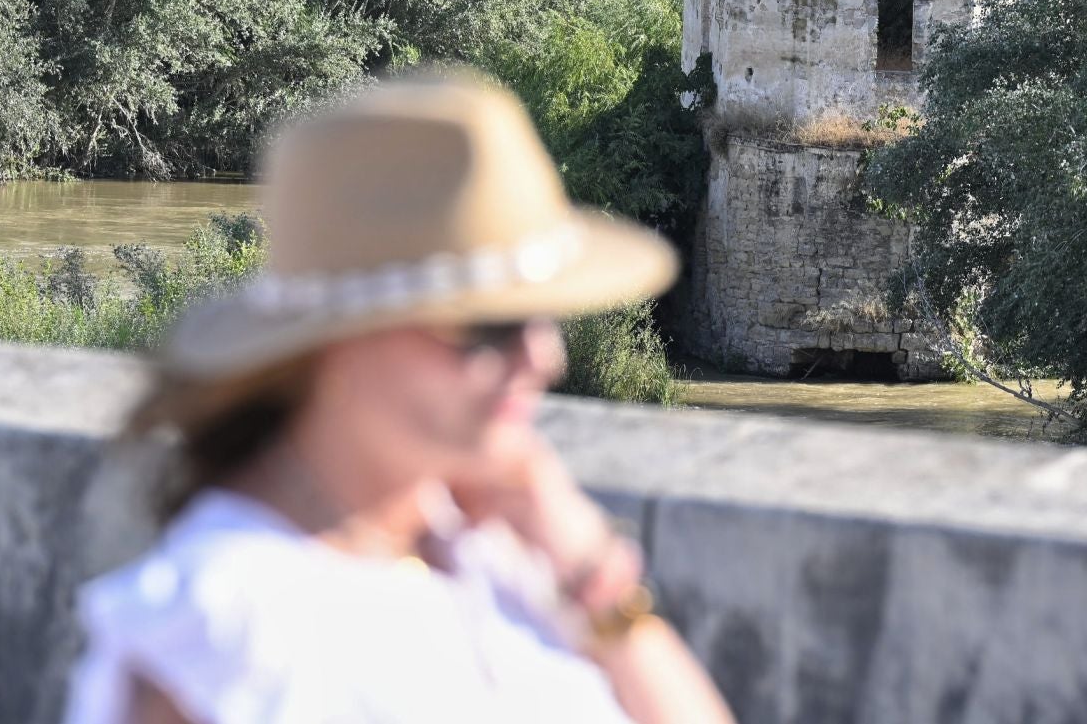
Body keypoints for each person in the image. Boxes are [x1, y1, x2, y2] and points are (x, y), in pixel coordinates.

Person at [63, 71, 735, 724]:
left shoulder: (493, 544)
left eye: (543, 315)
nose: (544, 356)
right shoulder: (225, 631)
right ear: (336, 347)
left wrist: (591, 569)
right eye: (488, 326)